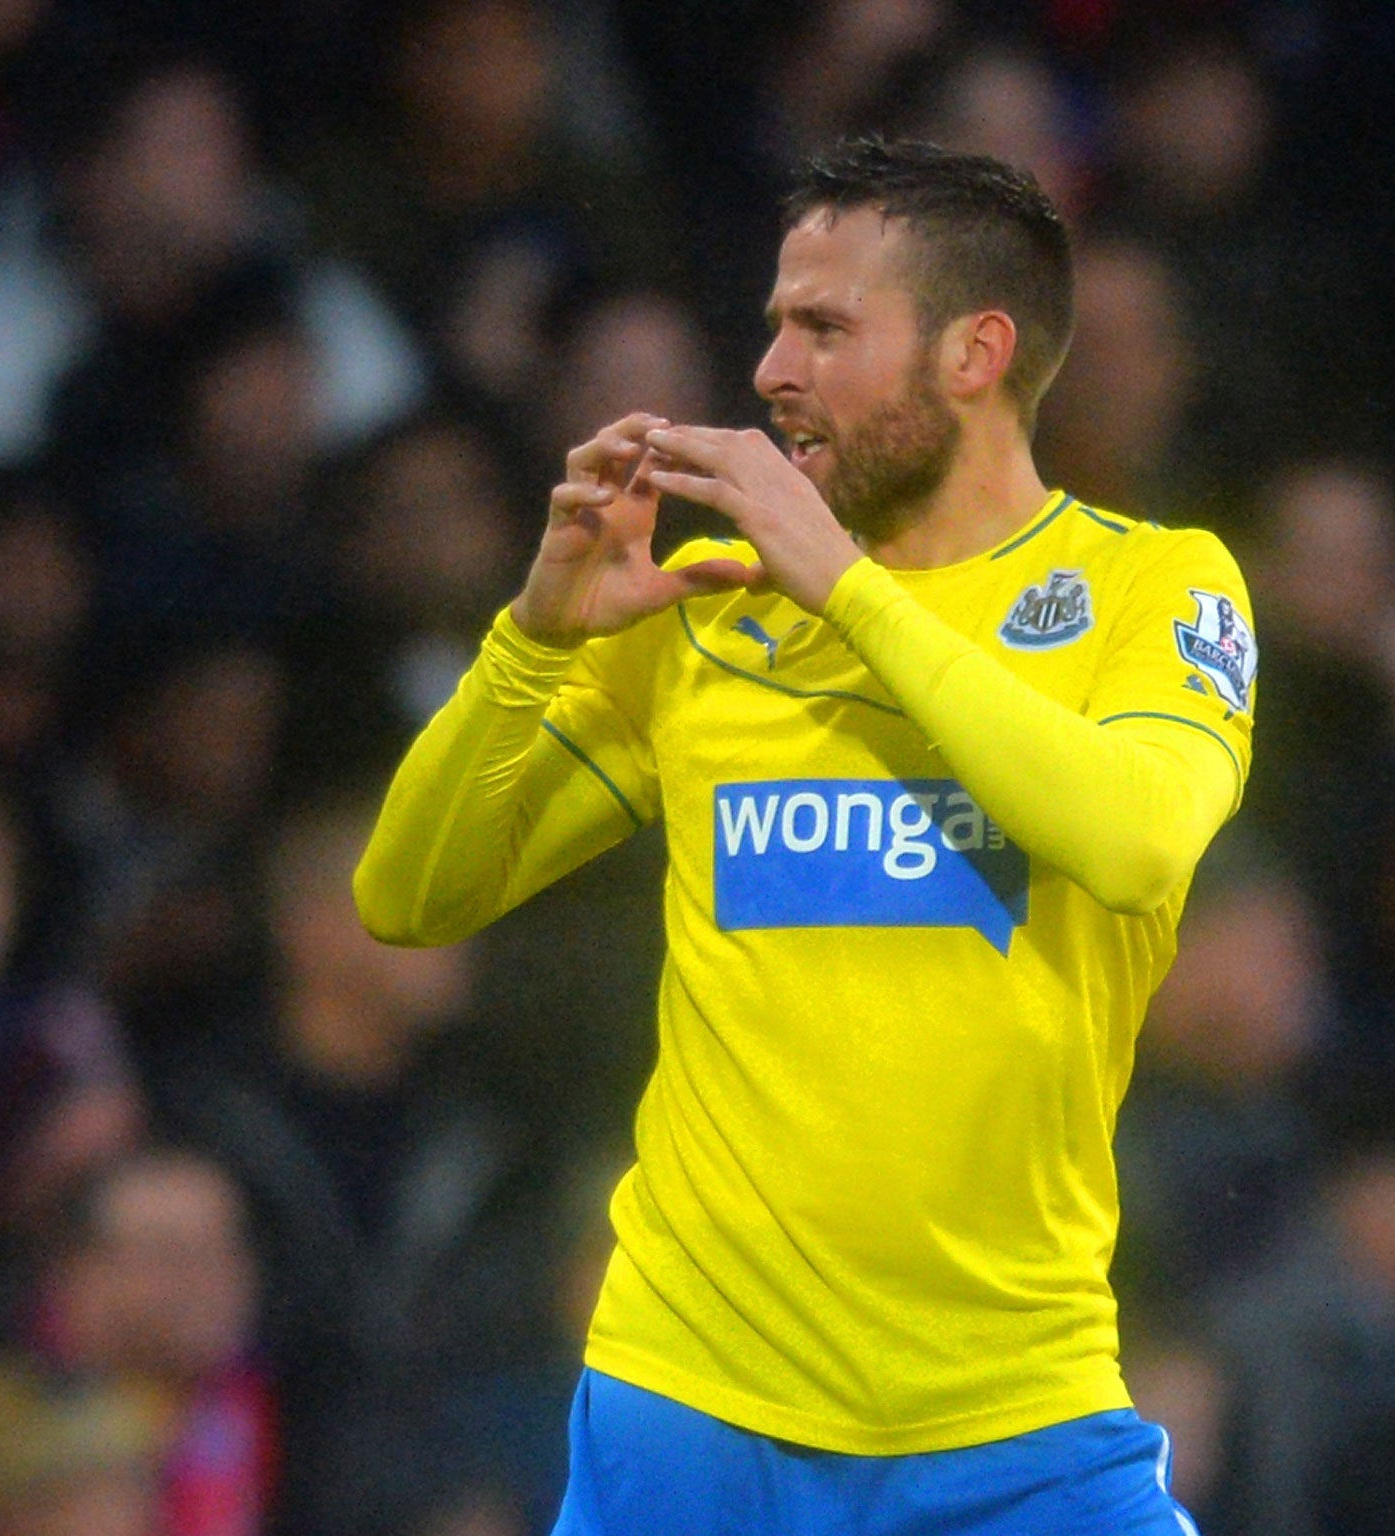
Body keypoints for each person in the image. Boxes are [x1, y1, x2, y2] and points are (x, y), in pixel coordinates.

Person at [356, 137, 1256, 1535]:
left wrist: (844, 586)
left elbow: (1136, 840)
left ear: (976, 351)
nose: (771, 371)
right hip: (688, 1405)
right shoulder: (709, 613)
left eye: (824, 328)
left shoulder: (1153, 586)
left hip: (1012, 1416)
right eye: (776, 323)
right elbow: (409, 894)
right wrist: (532, 639)